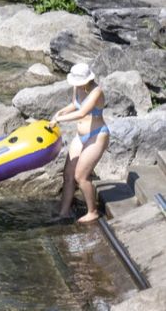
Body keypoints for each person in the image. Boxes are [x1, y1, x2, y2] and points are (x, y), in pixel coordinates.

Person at [50, 63, 110, 223]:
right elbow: (74, 105)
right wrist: (61, 111)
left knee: (81, 176)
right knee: (68, 175)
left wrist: (59, 120)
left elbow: (82, 112)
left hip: (97, 136)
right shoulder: (78, 87)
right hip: (80, 135)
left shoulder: (96, 92)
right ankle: (64, 211)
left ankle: (92, 211)